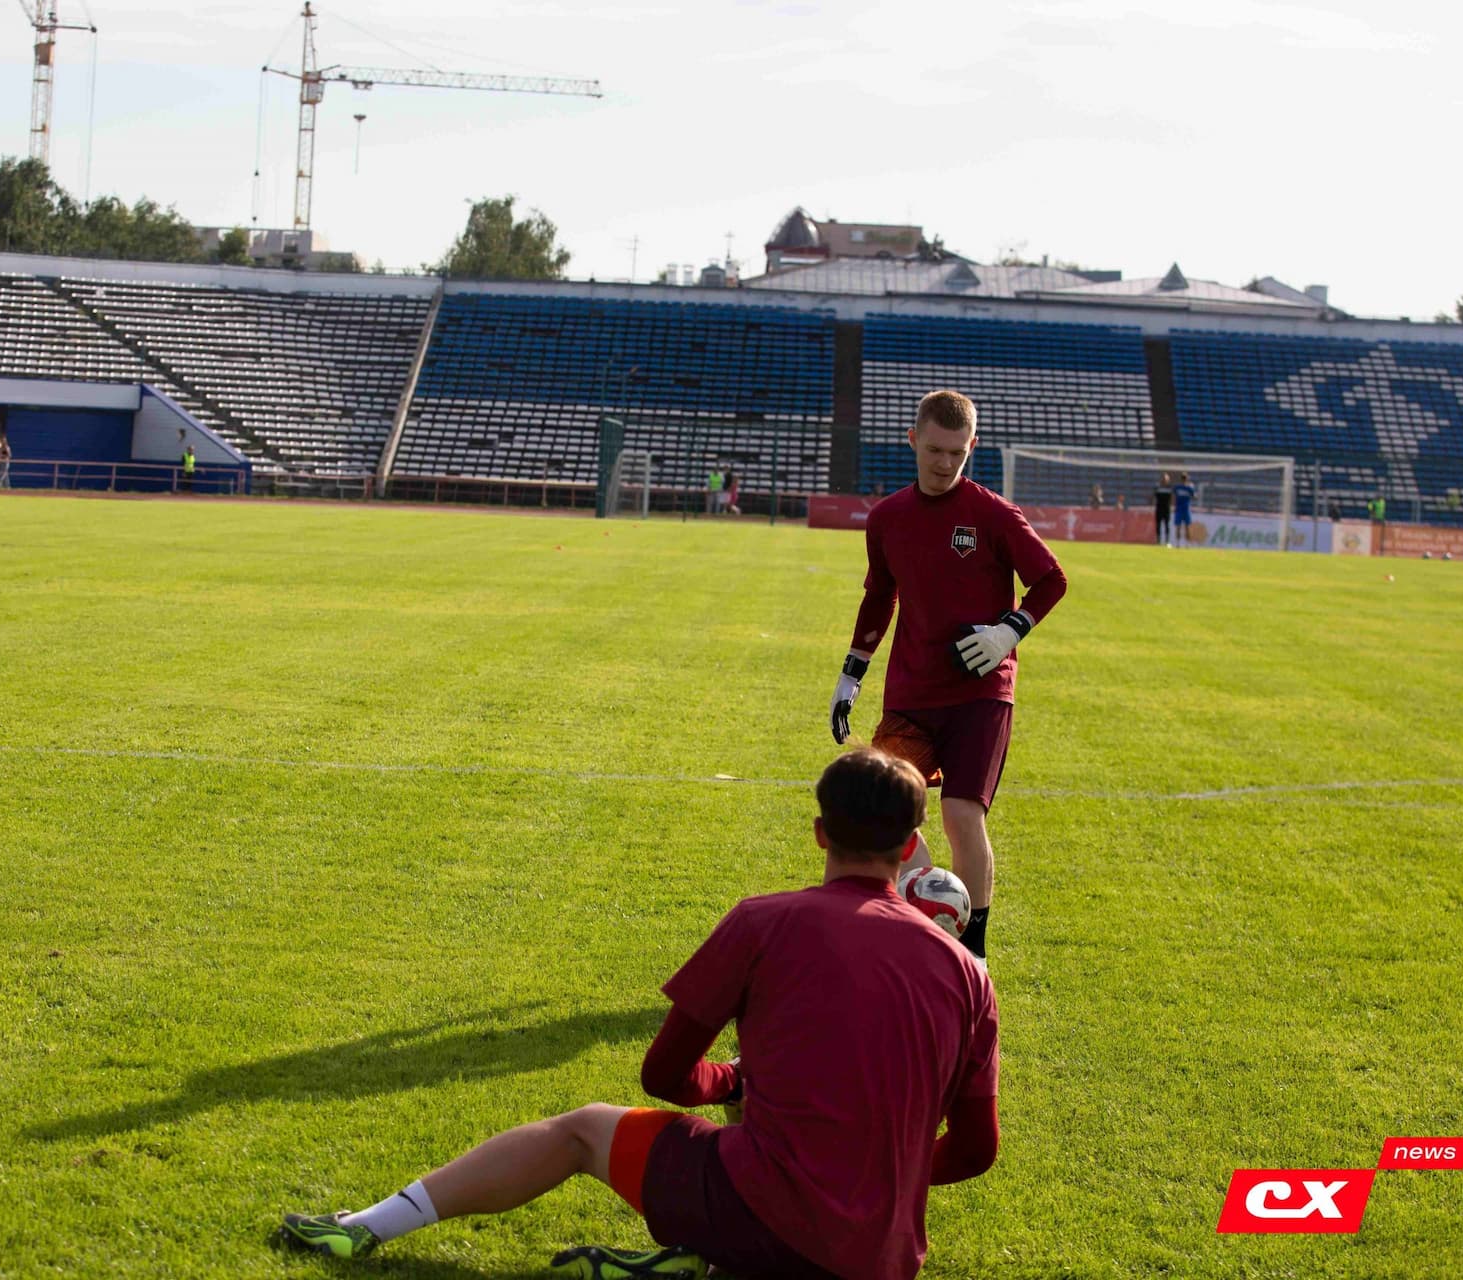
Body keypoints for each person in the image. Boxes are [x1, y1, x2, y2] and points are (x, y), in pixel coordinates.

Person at [278, 749, 1000, 1280]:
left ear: (818, 832)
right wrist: (871, 1179)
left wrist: (733, 1082)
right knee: (768, 1126)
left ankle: (364, 1230)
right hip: (883, 1258)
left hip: (765, 1216)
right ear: (909, 848)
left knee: (583, 1130)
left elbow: (664, 1076)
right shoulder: (969, 973)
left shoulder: (764, 923)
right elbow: (975, 1151)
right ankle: (701, 1259)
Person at [829, 389, 1066, 962]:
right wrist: (851, 673)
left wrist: (1008, 631)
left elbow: (1051, 580)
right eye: (935, 450)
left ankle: (973, 954)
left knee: (962, 815)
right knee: (884, 808)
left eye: (957, 454)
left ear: (972, 448)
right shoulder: (887, 519)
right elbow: (878, 597)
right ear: (912, 440)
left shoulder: (993, 514)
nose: (944, 463)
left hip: (983, 693)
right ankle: (930, 906)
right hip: (912, 689)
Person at [1171, 472, 1197, 546]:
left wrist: (1193, 490)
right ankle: (1178, 543)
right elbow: (1173, 496)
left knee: (1187, 527)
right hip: (1180, 509)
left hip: (1185, 509)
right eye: (1184, 478)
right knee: (1179, 527)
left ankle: (1186, 543)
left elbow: (1194, 496)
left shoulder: (1189, 488)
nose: (1184, 480)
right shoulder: (1178, 487)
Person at [1152, 472, 1174, 546]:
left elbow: (1172, 498)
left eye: (1166, 479)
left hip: (1166, 509)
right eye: (1164, 479)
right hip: (1159, 508)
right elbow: (1153, 497)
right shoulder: (1158, 487)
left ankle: (1167, 541)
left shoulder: (1170, 488)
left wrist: (1172, 506)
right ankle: (1158, 541)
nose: (1165, 480)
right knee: (1158, 525)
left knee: (1166, 525)